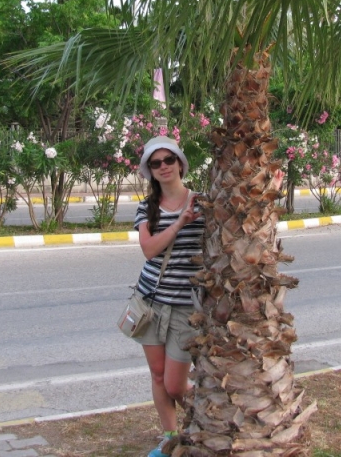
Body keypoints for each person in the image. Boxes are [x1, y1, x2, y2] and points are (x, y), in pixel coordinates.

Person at [133, 135, 204, 457]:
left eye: (168, 160)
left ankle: (207, 420)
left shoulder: (201, 201)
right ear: (149, 170)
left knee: (176, 384)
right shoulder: (147, 207)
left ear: (180, 163)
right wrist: (178, 224)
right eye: (155, 163)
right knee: (158, 375)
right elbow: (149, 250)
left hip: (186, 306)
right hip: (150, 300)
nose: (163, 167)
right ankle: (170, 435)